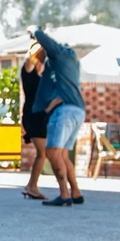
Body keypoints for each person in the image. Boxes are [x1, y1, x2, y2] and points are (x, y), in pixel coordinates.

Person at [28, 26, 86, 207]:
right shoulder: (71, 62)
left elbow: (46, 41)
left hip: (64, 111)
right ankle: (75, 192)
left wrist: (34, 31)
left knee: (52, 152)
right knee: (62, 154)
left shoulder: (59, 54)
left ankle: (64, 194)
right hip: (77, 110)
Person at [20, 41, 49, 200]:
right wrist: (41, 42)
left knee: (43, 153)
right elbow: (30, 59)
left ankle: (32, 185)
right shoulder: (28, 71)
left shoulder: (41, 76)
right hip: (32, 116)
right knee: (42, 153)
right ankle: (32, 186)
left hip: (39, 116)